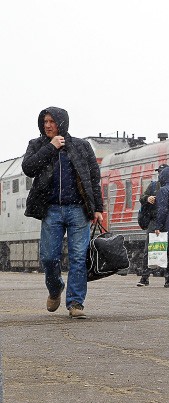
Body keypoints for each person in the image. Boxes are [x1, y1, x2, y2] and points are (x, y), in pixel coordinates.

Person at [22, 107, 104, 319]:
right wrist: (50, 147)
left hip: (78, 210)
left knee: (78, 258)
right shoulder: (37, 145)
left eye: (51, 121)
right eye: (44, 121)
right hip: (51, 210)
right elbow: (28, 168)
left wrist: (98, 208)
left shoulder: (81, 146)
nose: (47, 125)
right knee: (49, 258)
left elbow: (93, 178)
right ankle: (55, 287)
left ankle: (76, 303)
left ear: (62, 123)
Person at [137, 163, 168, 286]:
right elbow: (142, 197)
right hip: (155, 220)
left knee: (167, 250)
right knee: (149, 249)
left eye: (162, 172)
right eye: (159, 172)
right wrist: (147, 198)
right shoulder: (154, 185)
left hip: (166, 221)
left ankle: (168, 277)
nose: (160, 174)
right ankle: (145, 277)